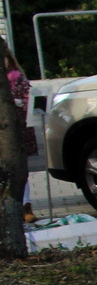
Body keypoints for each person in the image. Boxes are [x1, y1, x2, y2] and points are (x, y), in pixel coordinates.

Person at [4, 46, 36, 224]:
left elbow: (29, 101)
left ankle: (26, 206)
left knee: (20, 170)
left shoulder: (18, 79)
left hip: (18, 132)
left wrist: (16, 102)